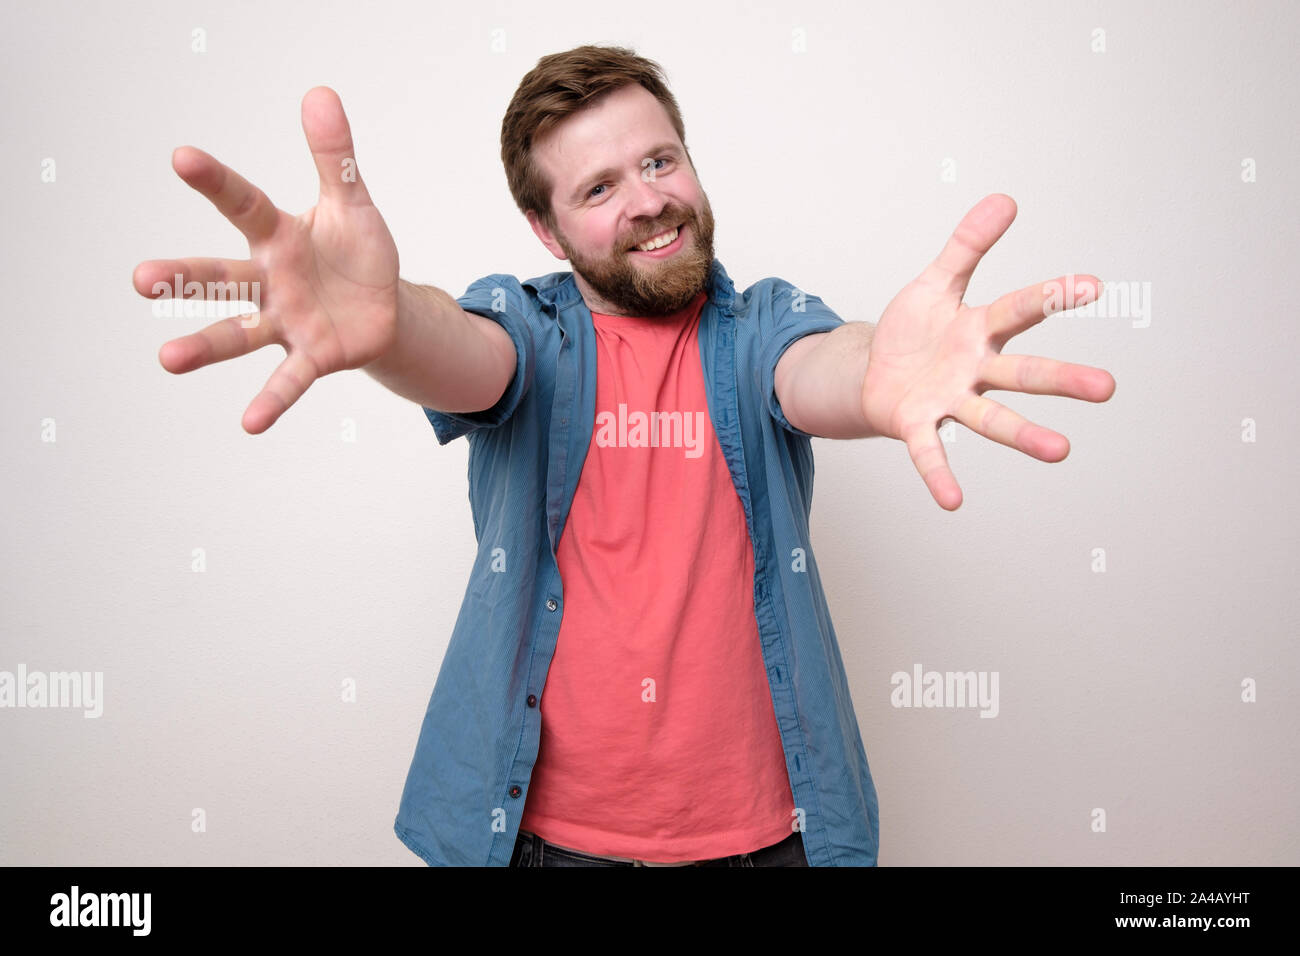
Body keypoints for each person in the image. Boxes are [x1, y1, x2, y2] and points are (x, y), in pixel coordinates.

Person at [133, 45, 1115, 867]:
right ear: (546, 229)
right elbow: (461, 352)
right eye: (599, 187)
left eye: (660, 161)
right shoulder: (528, 327)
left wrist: (879, 374)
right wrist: (386, 330)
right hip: (538, 839)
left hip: (769, 839)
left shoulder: (760, 325)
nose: (647, 201)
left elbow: (823, 370)